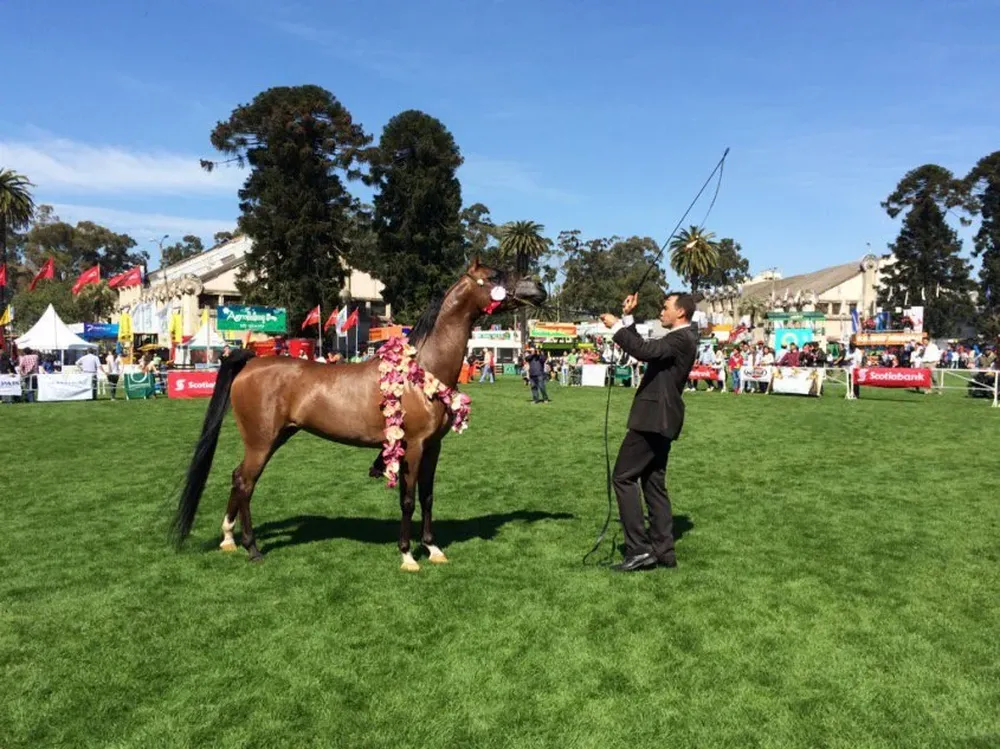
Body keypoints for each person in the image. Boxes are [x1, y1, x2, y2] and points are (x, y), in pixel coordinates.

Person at [599, 291, 698, 572]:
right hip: (663, 419)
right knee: (653, 483)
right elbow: (646, 348)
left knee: (623, 477)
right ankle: (663, 551)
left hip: (653, 418)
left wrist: (617, 326)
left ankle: (639, 550)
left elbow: (644, 351)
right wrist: (629, 319)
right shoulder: (683, 338)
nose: (661, 312)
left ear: (680, 312)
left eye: (665, 307)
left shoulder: (680, 338)